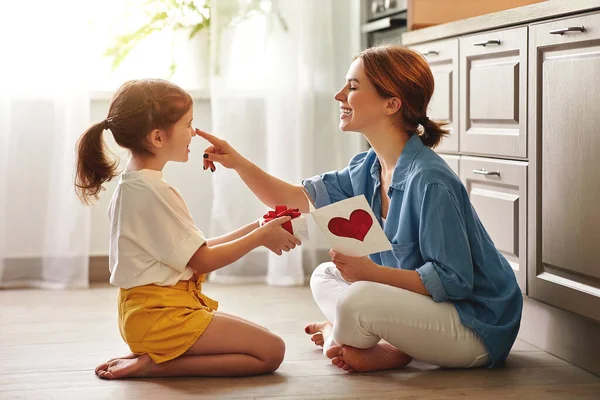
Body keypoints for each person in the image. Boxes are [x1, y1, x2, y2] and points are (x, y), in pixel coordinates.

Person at [197, 45, 523, 373]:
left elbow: (455, 282)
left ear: (391, 103)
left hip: (475, 329)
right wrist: (236, 162)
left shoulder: (430, 181)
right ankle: (388, 347)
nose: (340, 95)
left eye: (352, 87)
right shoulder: (366, 167)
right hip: (425, 314)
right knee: (325, 275)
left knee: (359, 297)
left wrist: (370, 273)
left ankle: (345, 338)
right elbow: (294, 198)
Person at [75, 79, 301, 379]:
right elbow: (204, 261)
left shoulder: (136, 185)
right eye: (188, 124)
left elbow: (197, 249)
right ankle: (154, 365)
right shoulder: (154, 192)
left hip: (149, 314)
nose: (193, 132)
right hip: (161, 317)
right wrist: (260, 237)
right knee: (271, 351)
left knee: (262, 340)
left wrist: (257, 226)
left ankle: (153, 354)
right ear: (157, 137)